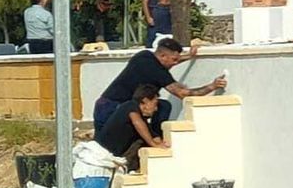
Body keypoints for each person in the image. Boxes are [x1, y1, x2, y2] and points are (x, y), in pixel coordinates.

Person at [92, 37, 225, 135]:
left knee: (162, 106)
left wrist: (189, 56)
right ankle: (156, 137)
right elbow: (182, 93)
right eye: (174, 60)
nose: (175, 63)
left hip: (104, 104)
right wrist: (212, 86)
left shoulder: (144, 56)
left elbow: (168, 62)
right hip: (114, 108)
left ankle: (156, 135)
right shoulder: (157, 72)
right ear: (162, 56)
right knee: (110, 146)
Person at [95, 84, 164, 171]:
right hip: (102, 153)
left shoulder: (143, 121)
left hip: (116, 154)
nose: (156, 109)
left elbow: (153, 136)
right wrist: (153, 144)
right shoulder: (130, 106)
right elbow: (137, 123)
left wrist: (163, 145)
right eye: (155, 104)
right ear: (145, 101)